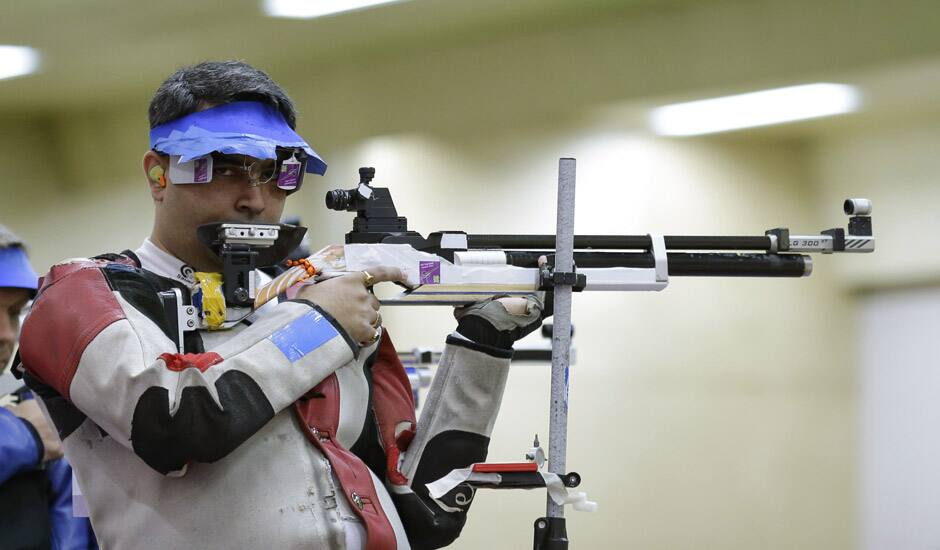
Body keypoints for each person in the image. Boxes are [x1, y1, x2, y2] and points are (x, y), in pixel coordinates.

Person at [17, 61, 545, 549]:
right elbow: (175, 422)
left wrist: (483, 344)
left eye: (278, 173)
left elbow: (422, 508)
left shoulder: (311, 297)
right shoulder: (83, 294)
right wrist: (319, 326)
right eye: (223, 168)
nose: (255, 198)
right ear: (159, 173)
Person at [0, 225, 98, 549]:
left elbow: (75, 520)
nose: (5, 334)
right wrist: (24, 435)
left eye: (14, 314)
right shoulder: (27, 426)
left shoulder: (37, 407)